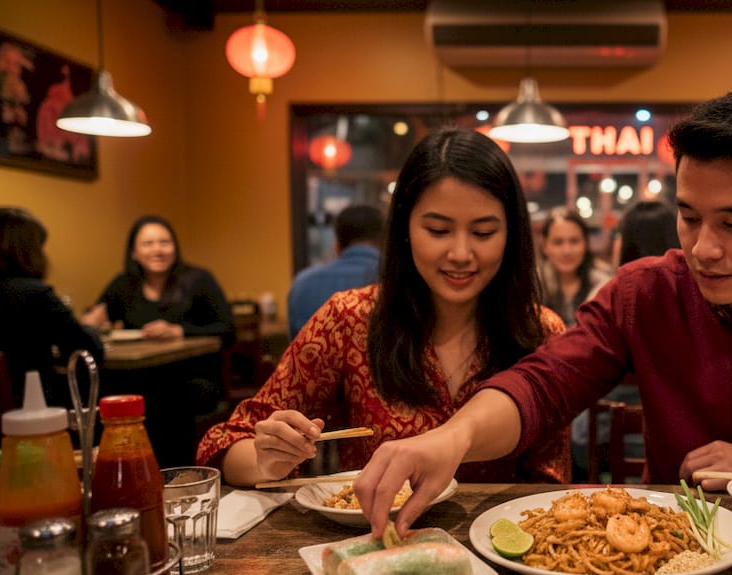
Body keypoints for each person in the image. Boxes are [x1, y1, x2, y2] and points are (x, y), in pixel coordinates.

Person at [353, 85, 732, 535]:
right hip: (676, 552)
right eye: (689, 217)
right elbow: (547, 381)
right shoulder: (646, 291)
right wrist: (453, 436)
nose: (703, 248)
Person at [197, 127, 570, 487]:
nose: (460, 254)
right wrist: (268, 459)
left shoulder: (541, 332)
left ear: (512, 234)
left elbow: (550, 482)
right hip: (372, 543)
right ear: (404, 228)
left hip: (497, 545)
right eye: (438, 231)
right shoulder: (349, 319)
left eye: (483, 233)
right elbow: (224, 444)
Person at [81, 215, 235, 466]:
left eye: (165, 242)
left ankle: (167, 472)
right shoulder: (124, 284)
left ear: (175, 247)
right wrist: (91, 321)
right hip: (137, 375)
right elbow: (96, 315)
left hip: (193, 376)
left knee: (163, 399)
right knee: (105, 394)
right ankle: (120, 470)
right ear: (134, 252)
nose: (157, 250)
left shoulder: (198, 280)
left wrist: (180, 330)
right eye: (148, 243)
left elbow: (228, 329)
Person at [0, 207, 104, 405]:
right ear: (27, 250)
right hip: (25, 418)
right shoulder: (33, 294)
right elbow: (85, 351)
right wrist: (89, 326)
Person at [572, 200, 680, 480]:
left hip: (602, 439)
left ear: (627, 242)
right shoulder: (693, 299)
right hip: (673, 443)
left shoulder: (610, 294)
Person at [287, 203, 384, 339]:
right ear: (386, 243)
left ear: (337, 246)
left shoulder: (301, 284)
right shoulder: (398, 283)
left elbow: (294, 350)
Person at [538, 206, 613, 328]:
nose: (567, 251)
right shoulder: (532, 287)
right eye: (558, 242)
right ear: (545, 246)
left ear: (586, 243)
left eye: (574, 241)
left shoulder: (603, 286)